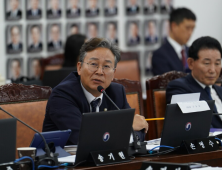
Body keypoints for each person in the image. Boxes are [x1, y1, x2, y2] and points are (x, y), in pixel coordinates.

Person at [43, 38, 148, 145]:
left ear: (114, 73)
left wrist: (127, 130)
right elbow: (83, 138)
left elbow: (139, 130)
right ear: (79, 68)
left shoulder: (116, 92)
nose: (99, 72)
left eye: (106, 66)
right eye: (93, 64)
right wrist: (125, 126)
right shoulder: (62, 95)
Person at [166, 36, 222, 128]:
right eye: (207, 63)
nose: (212, 70)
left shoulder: (220, 90)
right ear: (191, 63)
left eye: (217, 63)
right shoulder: (179, 88)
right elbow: (193, 127)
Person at [152, 8, 196, 76]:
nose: (190, 33)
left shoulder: (192, 52)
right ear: (174, 26)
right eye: (187, 28)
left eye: (192, 29)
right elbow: (166, 85)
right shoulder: (160, 55)